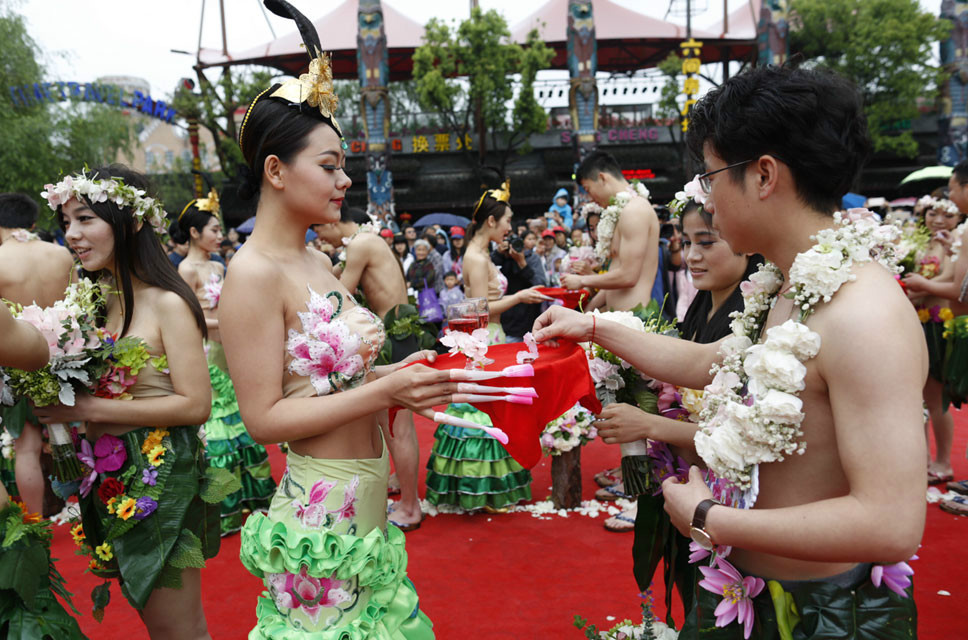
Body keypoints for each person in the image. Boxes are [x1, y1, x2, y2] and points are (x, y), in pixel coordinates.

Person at [534, 65, 924, 638]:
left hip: (819, 616)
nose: (706, 200)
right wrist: (592, 327)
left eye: (711, 175)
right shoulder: (786, 287)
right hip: (742, 596)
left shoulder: (864, 314)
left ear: (764, 174)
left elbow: (890, 523)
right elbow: (708, 361)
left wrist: (707, 517)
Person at [218, 6, 456, 634]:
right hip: (320, 518)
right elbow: (263, 419)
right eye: (328, 166)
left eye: (341, 164)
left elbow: (333, 380)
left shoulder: (315, 256)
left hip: (366, 505)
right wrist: (383, 389)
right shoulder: (250, 274)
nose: (345, 179)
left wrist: (399, 372)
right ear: (275, 170)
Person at [34, 165, 221, 638]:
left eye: (85, 219)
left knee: (179, 630)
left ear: (131, 222)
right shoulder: (91, 301)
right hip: (109, 475)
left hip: (160, 482)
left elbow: (197, 405)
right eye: (66, 223)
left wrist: (87, 410)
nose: (72, 235)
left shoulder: (168, 303)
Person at [600, 199, 764, 625]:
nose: (691, 255)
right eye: (686, 242)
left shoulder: (755, 319)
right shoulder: (700, 302)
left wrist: (650, 423)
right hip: (686, 485)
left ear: (748, 242)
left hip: (727, 500)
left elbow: (739, 435)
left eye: (706, 242)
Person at [425, 181, 549, 512]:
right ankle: (482, 490)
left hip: (486, 337)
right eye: (507, 220)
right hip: (485, 339)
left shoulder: (480, 254)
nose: (511, 227)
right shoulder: (477, 258)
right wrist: (519, 297)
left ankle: (481, 488)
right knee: (486, 408)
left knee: (488, 407)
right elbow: (478, 309)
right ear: (491, 221)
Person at [315, 205, 434, 532]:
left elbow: (340, 298)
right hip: (397, 332)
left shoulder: (360, 244)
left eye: (320, 231)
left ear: (332, 221)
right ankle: (402, 483)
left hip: (392, 337)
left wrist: (317, 269)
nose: (321, 239)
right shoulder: (365, 241)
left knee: (397, 429)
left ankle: (410, 506)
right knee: (393, 427)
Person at [172, 192, 276, 536]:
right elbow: (190, 318)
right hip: (208, 352)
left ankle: (256, 496)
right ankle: (226, 506)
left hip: (230, 347)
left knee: (241, 421)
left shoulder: (218, 266)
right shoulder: (186, 269)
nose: (221, 235)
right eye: (214, 230)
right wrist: (232, 322)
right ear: (194, 234)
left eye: (220, 230)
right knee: (219, 426)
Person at [0, 193, 75, 516]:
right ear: (32, 223)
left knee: (26, 447)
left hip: (18, 361)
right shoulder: (60, 254)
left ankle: (34, 520)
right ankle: (86, 508)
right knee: (78, 436)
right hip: (69, 355)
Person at [897, 196, 963, 487]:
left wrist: (920, 287)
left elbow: (951, 283)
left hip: (938, 326)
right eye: (932, 213)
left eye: (946, 215)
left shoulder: (956, 245)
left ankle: (944, 461)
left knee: (937, 400)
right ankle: (920, 459)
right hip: (915, 323)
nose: (938, 220)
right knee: (917, 400)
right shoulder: (916, 242)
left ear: (957, 218)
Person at [561, 151, 658, 312]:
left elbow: (628, 276)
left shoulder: (635, 210)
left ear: (602, 178)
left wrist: (583, 281)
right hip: (618, 317)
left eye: (588, 189)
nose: (590, 198)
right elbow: (615, 276)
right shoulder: (623, 211)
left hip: (635, 317)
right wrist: (588, 311)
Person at [491, 232, 547, 343]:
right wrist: (498, 254)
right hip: (503, 321)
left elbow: (540, 285)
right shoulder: (499, 258)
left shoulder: (532, 258)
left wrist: (522, 263)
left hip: (527, 322)